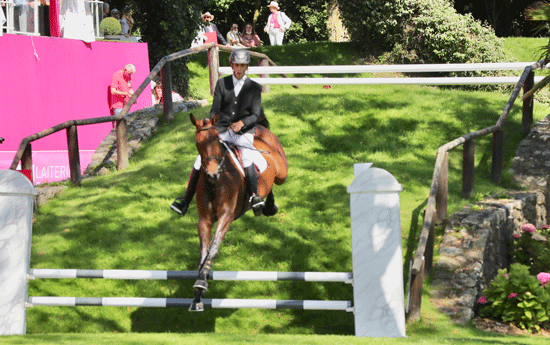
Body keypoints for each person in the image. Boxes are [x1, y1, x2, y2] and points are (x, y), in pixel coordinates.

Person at [171, 49, 268, 217]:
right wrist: (213, 123)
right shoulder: (222, 84)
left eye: (243, 66)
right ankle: (185, 201)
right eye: (237, 65)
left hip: (244, 132)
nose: (239, 69)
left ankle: (254, 196)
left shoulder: (254, 87)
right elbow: (215, 109)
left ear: (247, 67)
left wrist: (242, 123)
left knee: (246, 157)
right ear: (232, 65)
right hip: (223, 130)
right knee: (198, 161)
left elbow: (255, 114)